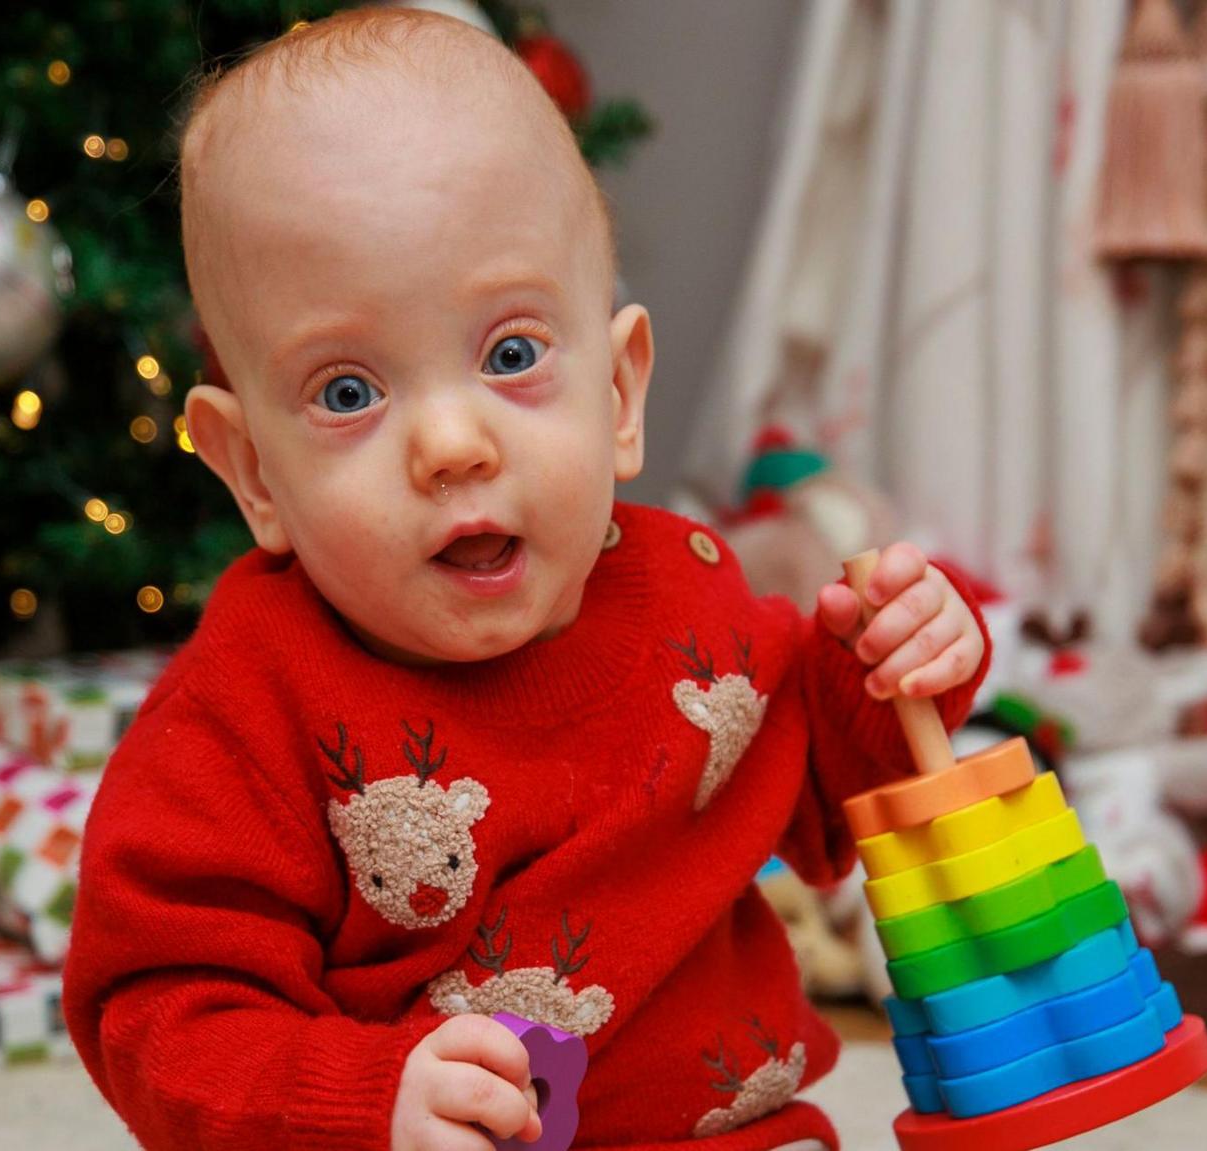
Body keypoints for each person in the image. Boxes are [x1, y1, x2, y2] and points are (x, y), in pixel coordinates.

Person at [64, 10, 989, 1150]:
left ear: (617, 392)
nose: (451, 443)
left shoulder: (689, 597)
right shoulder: (241, 717)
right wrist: (365, 1099)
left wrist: (895, 666)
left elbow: (822, 805)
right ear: (252, 469)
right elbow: (157, 1010)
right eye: (348, 391)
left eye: (509, 355)